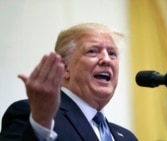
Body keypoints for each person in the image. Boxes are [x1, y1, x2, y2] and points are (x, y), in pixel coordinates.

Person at [0, 23, 138, 141]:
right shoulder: (32, 115)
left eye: (112, 53)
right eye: (92, 51)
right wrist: (41, 122)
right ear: (65, 68)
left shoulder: (127, 137)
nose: (107, 60)